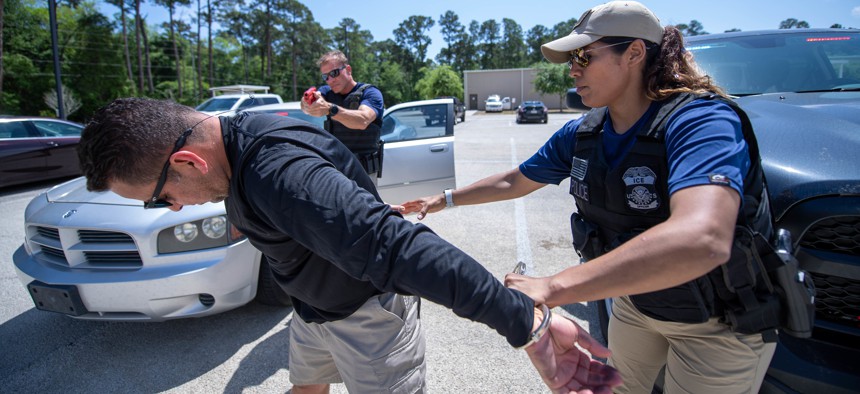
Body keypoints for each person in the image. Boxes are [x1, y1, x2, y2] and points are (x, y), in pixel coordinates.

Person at [76, 97, 621, 394]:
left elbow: (395, 244)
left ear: (187, 161)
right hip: (313, 312)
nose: (171, 208)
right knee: (307, 385)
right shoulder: (239, 138)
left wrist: (524, 321)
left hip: (367, 317)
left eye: (159, 198)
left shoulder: (276, 173)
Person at [398, 1, 777, 393]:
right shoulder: (585, 133)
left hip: (717, 321)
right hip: (637, 305)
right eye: (570, 59)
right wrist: (443, 199)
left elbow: (702, 239)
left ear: (633, 53)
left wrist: (553, 287)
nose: (572, 68)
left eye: (583, 55)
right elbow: (515, 180)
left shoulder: (701, 120)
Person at [302, 50, 385, 183]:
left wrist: (331, 109)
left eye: (334, 73)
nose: (330, 80)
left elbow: (362, 120)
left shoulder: (370, 93)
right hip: (336, 170)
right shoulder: (327, 92)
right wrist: (307, 103)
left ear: (348, 70)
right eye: (325, 77)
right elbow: (307, 106)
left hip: (364, 172)